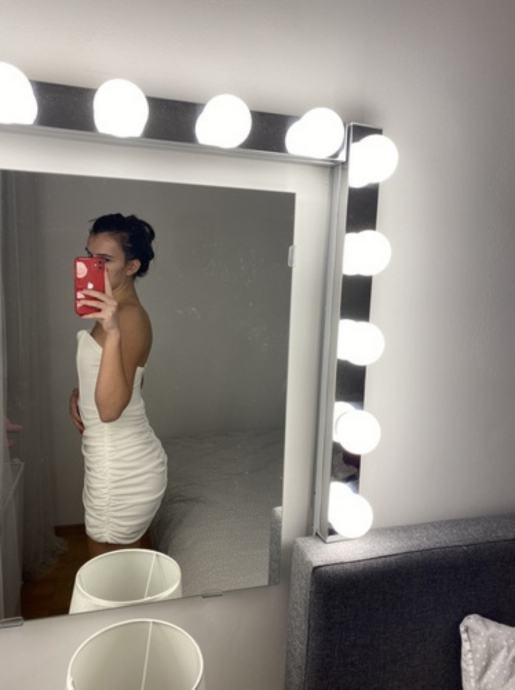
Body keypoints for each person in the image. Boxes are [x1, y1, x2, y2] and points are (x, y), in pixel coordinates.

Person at [69, 213, 167, 558]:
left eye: (104, 260)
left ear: (132, 266)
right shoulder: (116, 311)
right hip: (113, 459)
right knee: (118, 575)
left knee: (107, 577)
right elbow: (130, 382)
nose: (92, 267)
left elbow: (110, 410)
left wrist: (111, 332)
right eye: (89, 256)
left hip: (121, 469)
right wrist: (80, 395)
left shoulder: (127, 317)